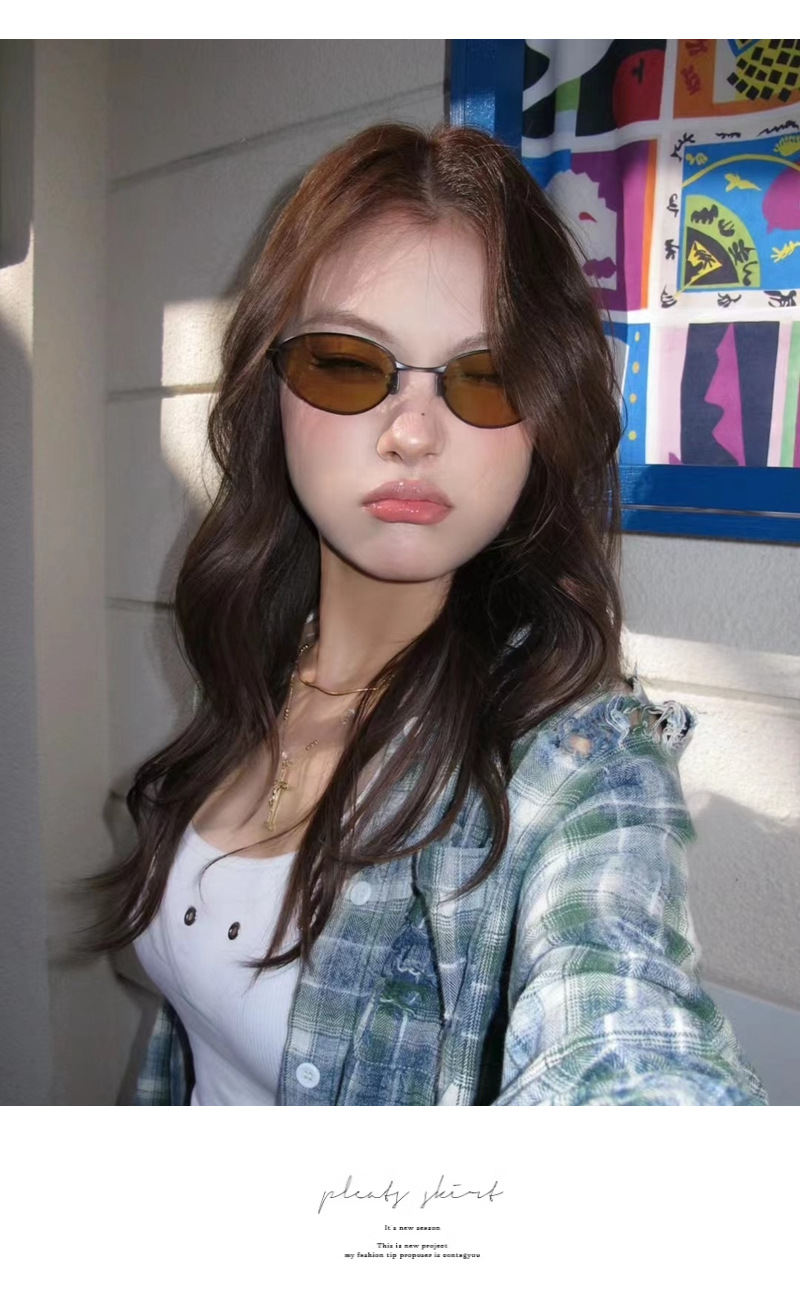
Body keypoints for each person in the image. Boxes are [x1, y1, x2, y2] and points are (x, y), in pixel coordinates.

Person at [76, 121, 768, 1106]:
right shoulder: (259, 666)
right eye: (346, 362)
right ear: (271, 390)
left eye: (487, 377)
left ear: (544, 421)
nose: (411, 433)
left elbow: (624, 1039)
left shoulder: (577, 766)